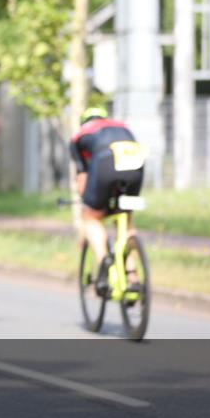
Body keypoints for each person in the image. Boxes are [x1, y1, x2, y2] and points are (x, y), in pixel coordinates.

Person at [69, 106, 146, 293]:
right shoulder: (121, 126)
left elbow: (82, 179)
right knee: (125, 219)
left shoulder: (79, 135)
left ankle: (104, 261)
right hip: (135, 163)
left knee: (90, 217)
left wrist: (86, 202)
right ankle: (132, 277)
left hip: (105, 160)